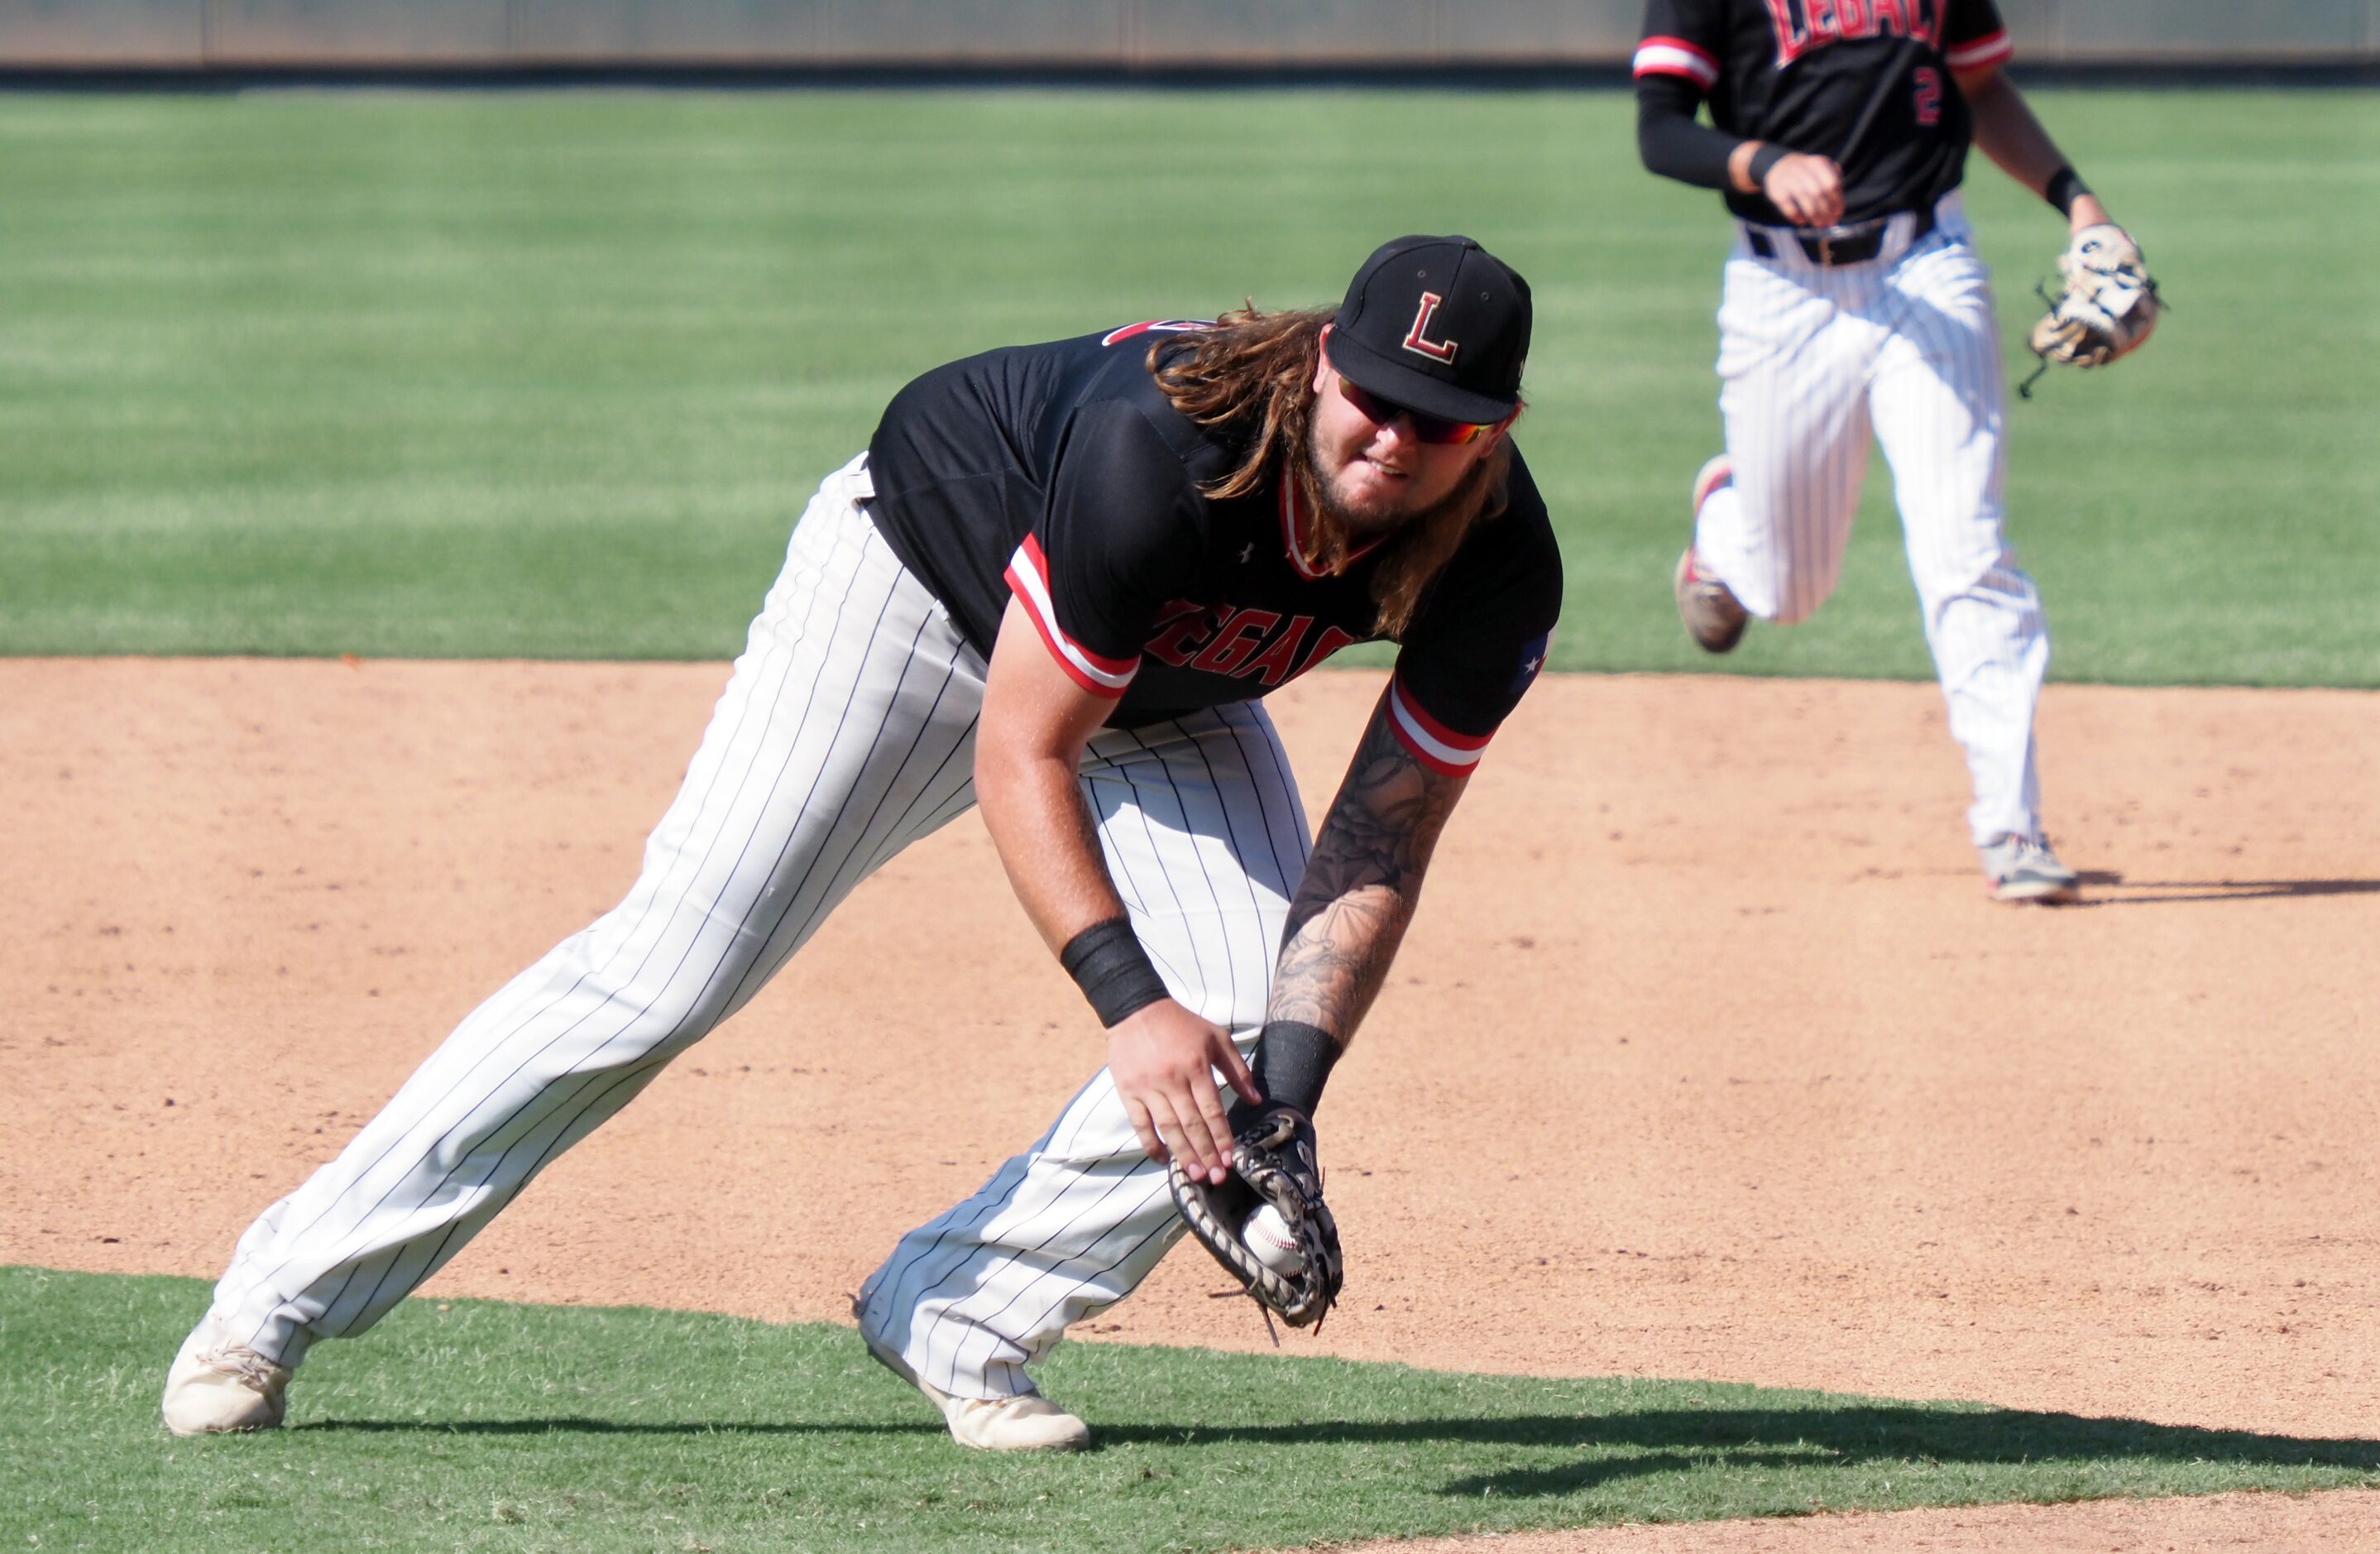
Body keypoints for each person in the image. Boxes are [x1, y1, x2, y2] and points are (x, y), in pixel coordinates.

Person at [160, 235, 1561, 1451]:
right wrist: (1129, 1004)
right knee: (668, 970)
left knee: (1259, 1017)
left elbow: (1381, 833)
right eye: (1372, 395)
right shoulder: (1166, 445)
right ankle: (273, 1299)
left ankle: (959, 1306)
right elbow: (1026, 749)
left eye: (1433, 422)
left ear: (1489, 431)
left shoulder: (1499, 562)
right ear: (1322, 359)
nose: (1389, 437)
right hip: (914, 594)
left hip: (1155, 683)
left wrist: (1287, 1104)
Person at [1635, 0, 2139, 902]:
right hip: (1781, 288)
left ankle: (2013, 825)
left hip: (1928, 267)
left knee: (1967, 549)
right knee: (1789, 593)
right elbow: (1661, 132)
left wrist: (2081, 203)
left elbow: (1979, 85)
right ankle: (1726, 517)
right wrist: (1761, 161)